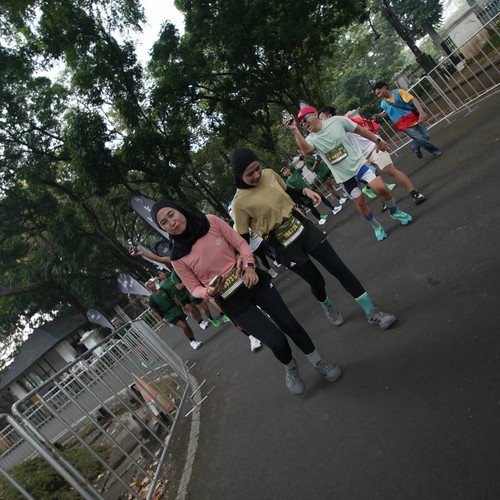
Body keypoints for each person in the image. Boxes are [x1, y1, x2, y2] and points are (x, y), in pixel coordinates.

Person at [151, 198, 342, 396]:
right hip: (231, 300)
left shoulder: (210, 221)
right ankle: (291, 368)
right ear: (162, 228)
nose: (171, 222)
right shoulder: (177, 257)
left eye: (171, 214)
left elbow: (240, 243)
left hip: (253, 280)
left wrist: (249, 266)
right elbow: (193, 289)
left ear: (179, 210)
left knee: (290, 324)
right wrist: (208, 292)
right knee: (277, 341)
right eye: (164, 222)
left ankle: (318, 361)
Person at [229, 146, 396, 331]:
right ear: (239, 175)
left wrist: (304, 192)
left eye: (257, 168)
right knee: (317, 282)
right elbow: (242, 239)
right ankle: (327, 305)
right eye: (249, 174)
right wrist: (245, 263)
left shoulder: (269, 174)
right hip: (282, 245)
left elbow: (288, 191)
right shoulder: (239, 203)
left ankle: (372, 312)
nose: (256, 175)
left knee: (338, 267)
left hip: (303, 227)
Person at [285, 105, 413, 242]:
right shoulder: (310, 139)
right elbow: (307, 151)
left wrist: (378, 141)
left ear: (314, 114)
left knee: (382, 188)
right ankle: (376, 226)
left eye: (304, 120)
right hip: (344, 178)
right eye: (301, 124)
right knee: (361, 204)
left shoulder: (337, 121)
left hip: (359, 165)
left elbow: (359, 129)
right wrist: (295, 130)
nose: (304, 125)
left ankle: (394, 211)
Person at [318, 106, 426, 210]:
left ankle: (414, 193)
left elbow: (362, 130)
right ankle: (384, 201)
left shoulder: (342, 121)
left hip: (372, 147)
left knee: (389, 170)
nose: (320, 123)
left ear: (329, 116)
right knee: (372, 182)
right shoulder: (327, 134)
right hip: (360, 158)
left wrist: (377, 141)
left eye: (321, 119)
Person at [373, 81, 442, 159]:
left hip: (413, 117)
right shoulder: (383, 103)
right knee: (419, 138)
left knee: (426, 136)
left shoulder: (399, 92)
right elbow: (387, 112)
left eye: (379, 92)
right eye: (377, 94)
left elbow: (413, 100)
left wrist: (421, 111)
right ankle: (435, 151)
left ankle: (415, 146)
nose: (379, 96)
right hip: (402, 124)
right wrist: (379, 115)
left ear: (384, 87)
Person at [145, 278, 203, 350]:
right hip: (168, 315)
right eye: (150, 284)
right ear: (148, 288)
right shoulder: (151, 299)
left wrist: (182, 306)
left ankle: (194, 340)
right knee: (184, 326)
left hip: (176, 309)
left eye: (152, 283)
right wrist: (162, 320)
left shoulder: (163, 289)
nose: (153, 285)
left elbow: (173, 297)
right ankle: (191, 341)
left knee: (187, 326)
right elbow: (155, 312)